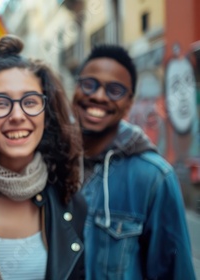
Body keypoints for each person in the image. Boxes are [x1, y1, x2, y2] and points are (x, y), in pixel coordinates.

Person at [0, 34, 87, 280]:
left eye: (30, 101)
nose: (17, 115)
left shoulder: (70, 202)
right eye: (1, 103)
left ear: (47, 112)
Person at [72, 44, 196, 279]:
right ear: (76, 88)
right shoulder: (49, 163)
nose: (98, 96)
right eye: (89, 84)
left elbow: (175, 272)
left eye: (115, 90)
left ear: (129, 102)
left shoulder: (154, 178)